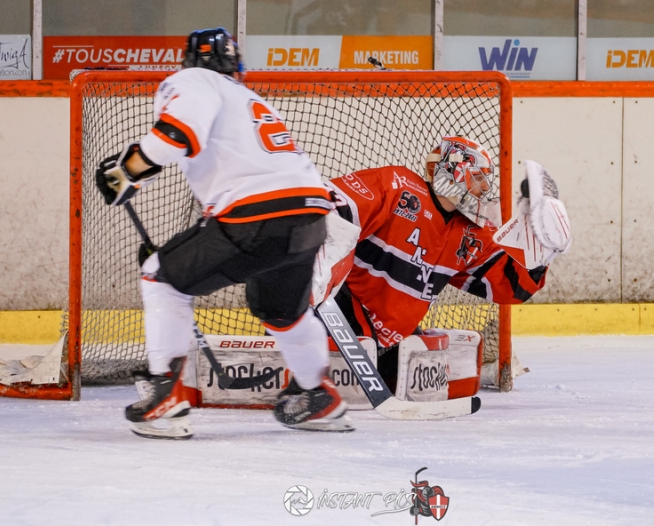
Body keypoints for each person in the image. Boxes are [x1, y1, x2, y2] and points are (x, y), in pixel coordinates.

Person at [95, 27, 353, 439]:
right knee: (284, 312)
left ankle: (164, 397)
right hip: (309, 216)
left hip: (255, 214)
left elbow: (176, 136)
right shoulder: (248, 97)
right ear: (236, 65)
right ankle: (317, 398)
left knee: (160, 276)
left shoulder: (193, 80)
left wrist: (128, 171)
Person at [325, 136, 572, 392]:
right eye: (478, 177)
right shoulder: (398, 186)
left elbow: (512, 286)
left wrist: (542, 251)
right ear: (454, 171)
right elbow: (328, 207)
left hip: (390, 340)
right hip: (340, 317)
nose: (485, 188)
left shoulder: (470, 234)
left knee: (450, 384)